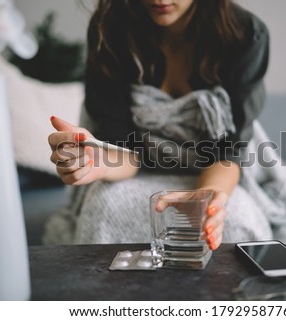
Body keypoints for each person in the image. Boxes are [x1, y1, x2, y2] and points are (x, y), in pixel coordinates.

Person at [47, 0, 271, 249]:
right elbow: (125, 150)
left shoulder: (245, 35)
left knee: (235, 216)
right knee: (103, 205)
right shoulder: (110, 29)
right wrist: (96, 161)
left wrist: (205, 197)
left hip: (218, 170)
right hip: (138, 167)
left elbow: (229, 154)